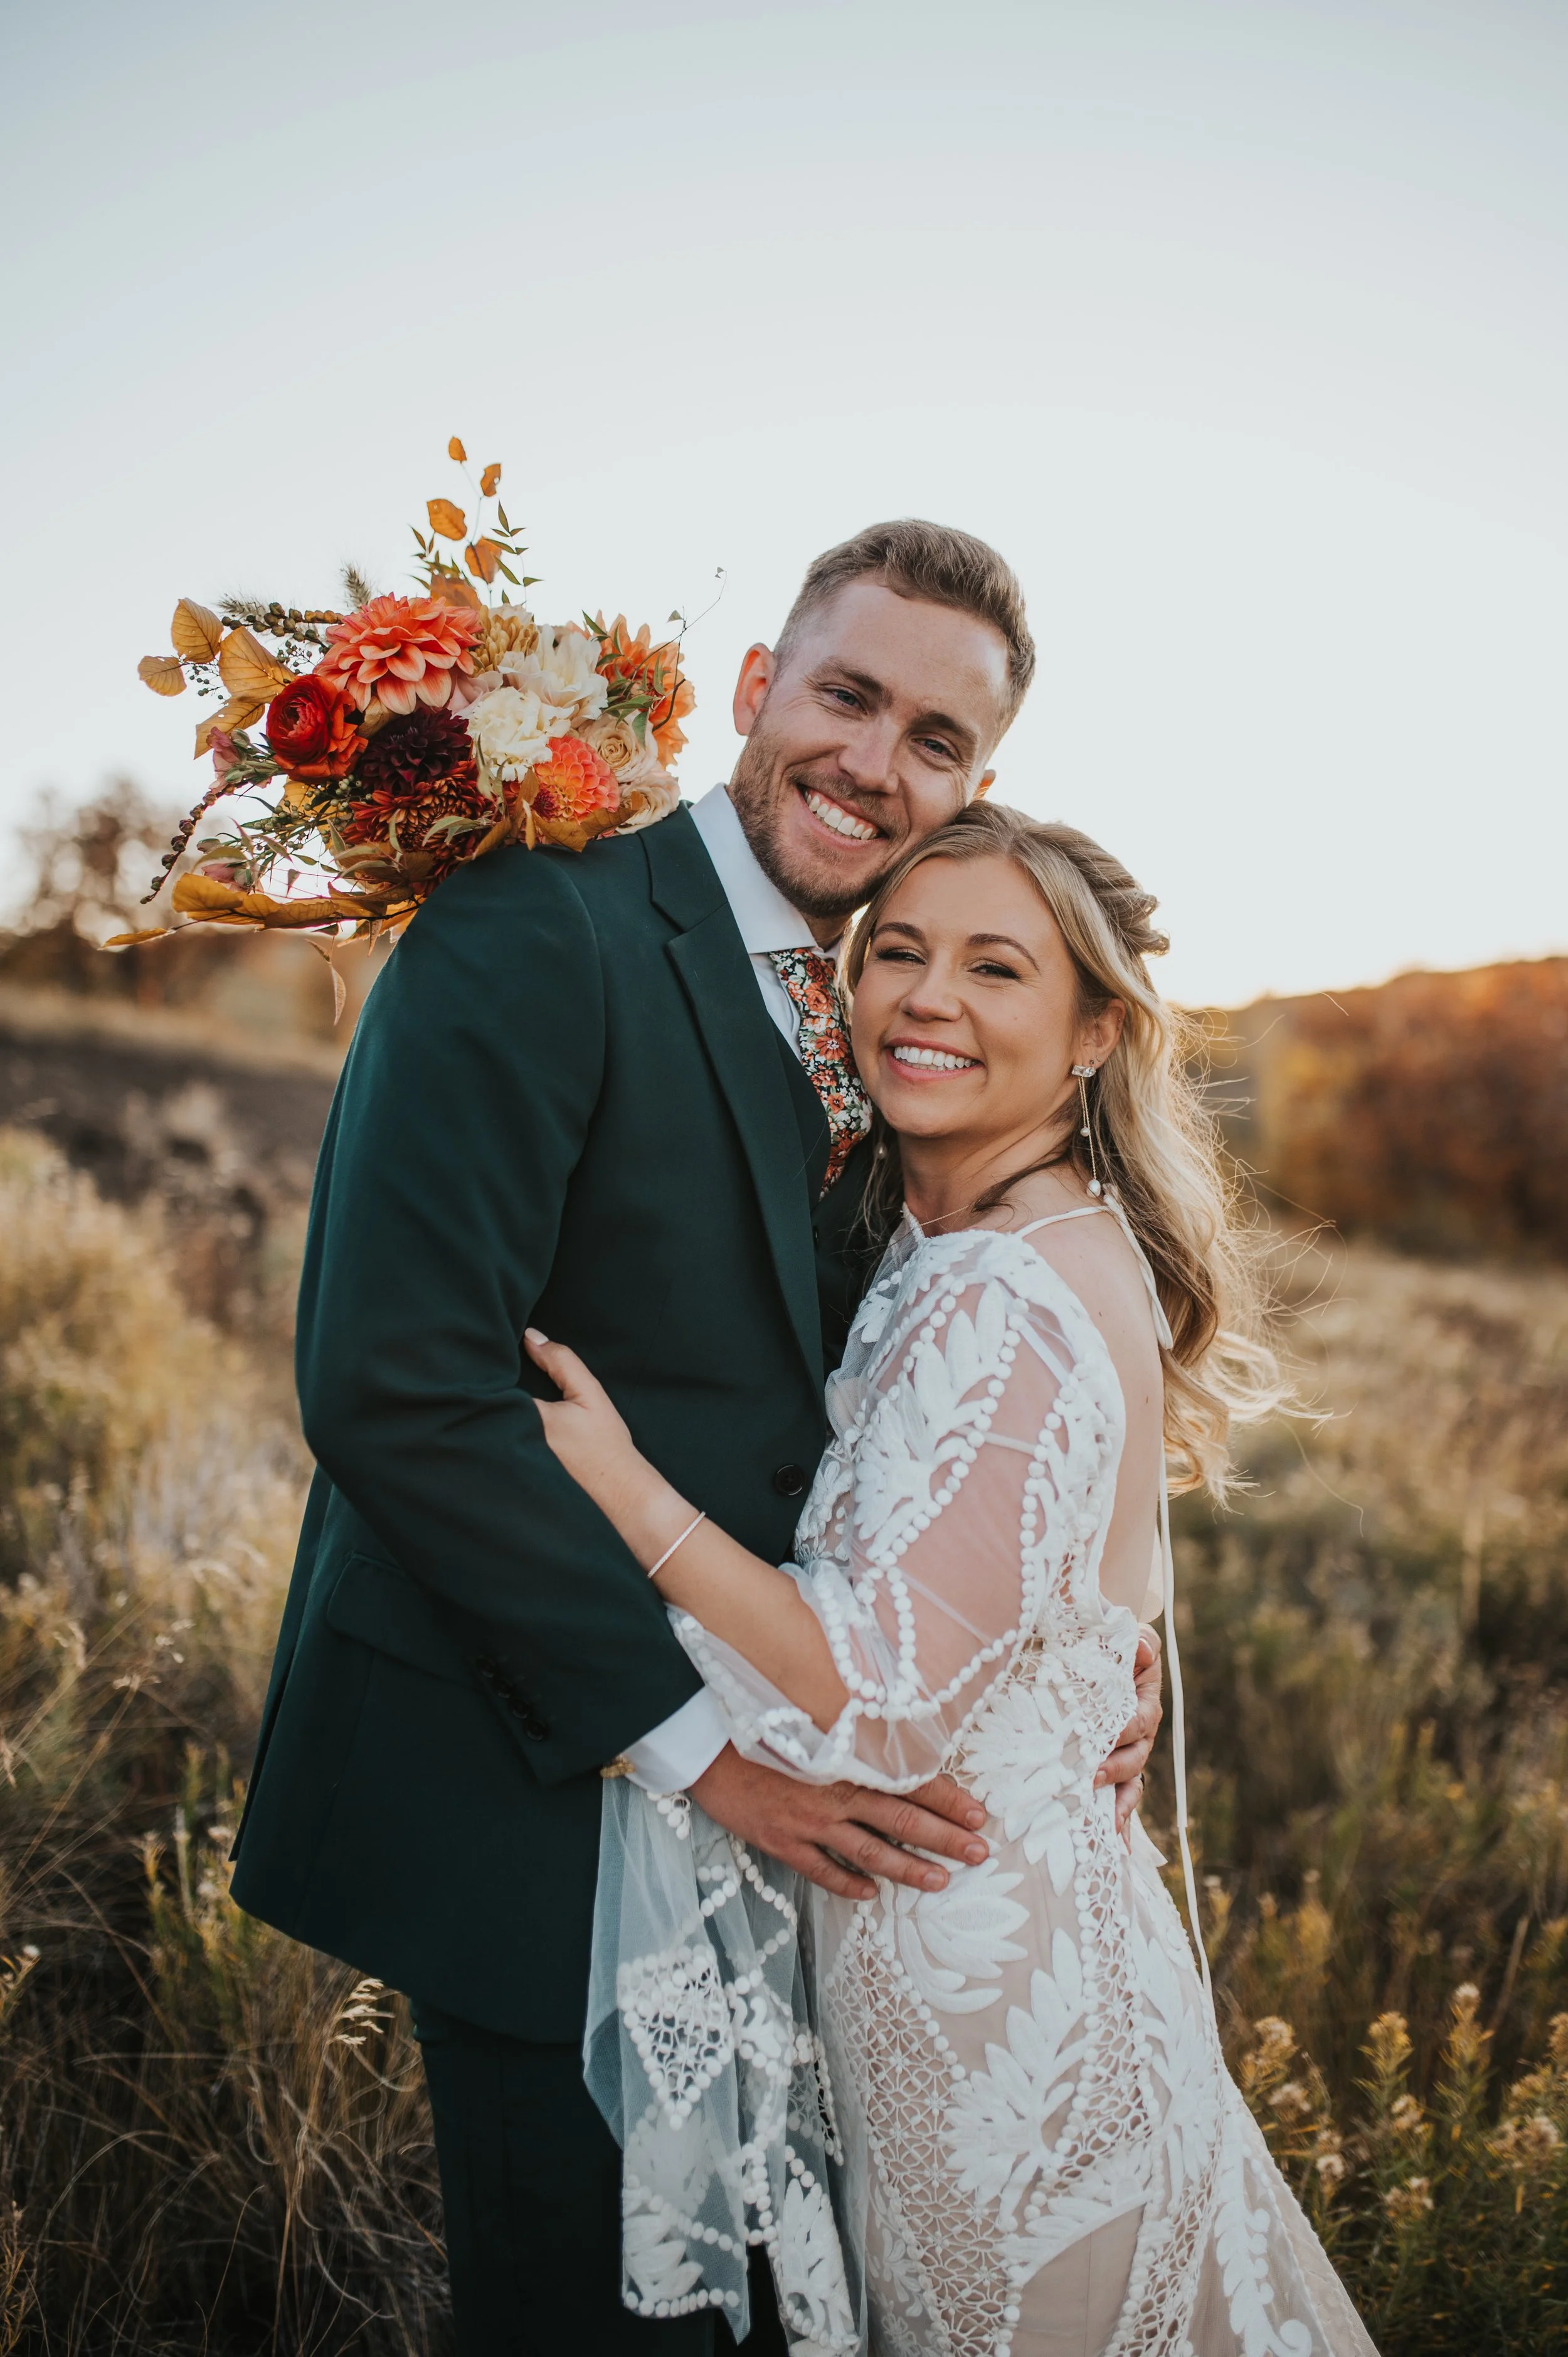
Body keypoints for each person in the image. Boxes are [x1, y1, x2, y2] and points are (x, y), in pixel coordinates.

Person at [227, 524, 1163, 2354]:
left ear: (977, 779)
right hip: (534, 1772)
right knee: (577, 2305)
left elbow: (987, 1392)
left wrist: (1103, 1635)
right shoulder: (539, 921)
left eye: (937, 740)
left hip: (807, 1808)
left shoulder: (897, 1014)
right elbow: (397, 1385)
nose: (874, 763)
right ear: (757, 690)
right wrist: (699, 1754)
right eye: (846, 695)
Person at [528, 802, 1379, 2356]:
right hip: (954, 1982)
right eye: (896, 952)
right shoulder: (989, 1233)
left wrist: (613, 1481)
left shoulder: (1007, 1292)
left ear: (1090, 1031)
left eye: (995, 967)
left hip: (1012, 2053)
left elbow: (885, 1703)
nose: (926, 996)